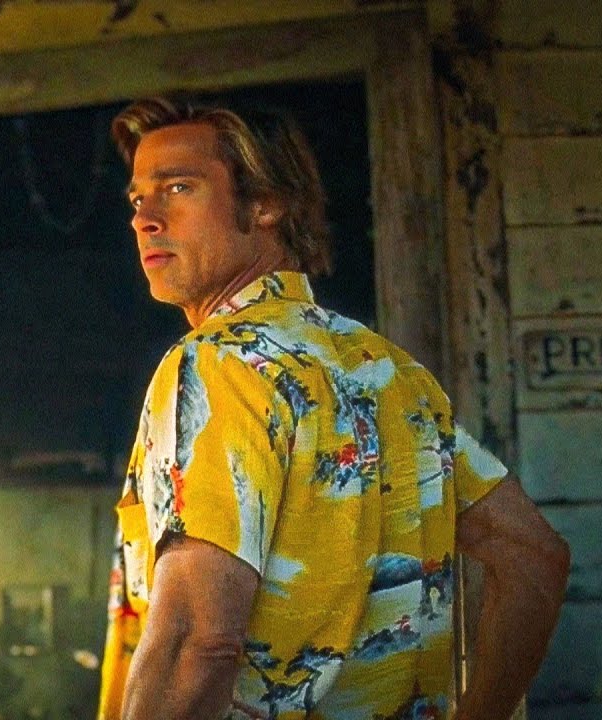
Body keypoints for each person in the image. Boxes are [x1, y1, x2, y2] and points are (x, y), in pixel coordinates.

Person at [97, 96, 570, 720]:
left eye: (178, 188)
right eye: (137, 199)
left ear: (266, 203)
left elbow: (196, 643)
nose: (145, 219)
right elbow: (534, 555)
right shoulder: (390, 374)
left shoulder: (218, 364)